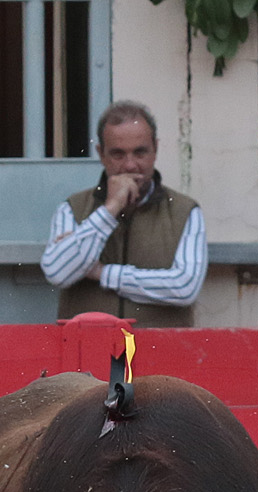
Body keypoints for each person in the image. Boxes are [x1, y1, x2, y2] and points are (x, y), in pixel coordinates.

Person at [40, 101, 206, 326]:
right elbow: (58, 272)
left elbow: (184, 287)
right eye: (118, 154)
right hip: (88, 353)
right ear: (101, 154)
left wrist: (102, 273)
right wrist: (110, 210)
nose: (130, 165)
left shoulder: (184, 211)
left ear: (155, 150)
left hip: (159, 355)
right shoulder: (73, 207)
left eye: (140, 152)